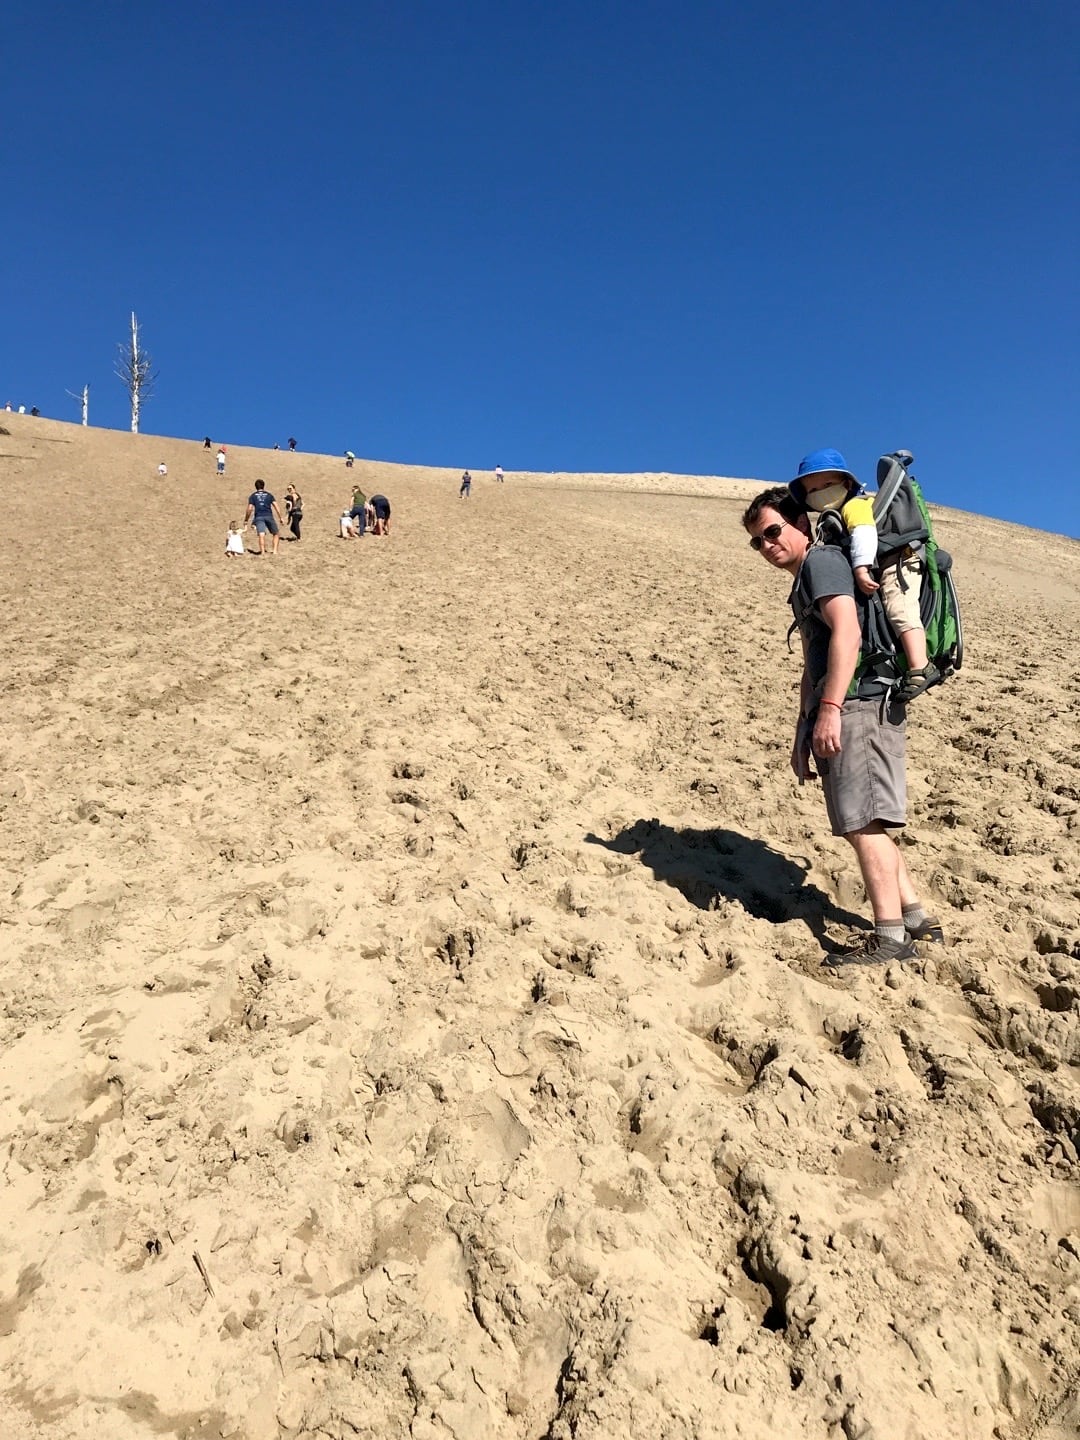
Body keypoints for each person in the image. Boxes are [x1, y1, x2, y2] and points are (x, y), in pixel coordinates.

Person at [742, 483, 942, 966]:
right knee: (867, 821)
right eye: (757, 541)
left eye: (773, 531)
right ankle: (914, 918)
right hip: (851, 703)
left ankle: (892, 938)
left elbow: (848, 633)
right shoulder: (811, 573)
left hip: (859, 704)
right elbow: (814, 662)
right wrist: (801, 731)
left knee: (863, 823)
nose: (768, 546)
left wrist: (830, 709)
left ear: (801, 524)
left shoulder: (821, 563)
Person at [789, 449, 938, 701]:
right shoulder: (833, 517)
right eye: (813, 490)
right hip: (889, 562)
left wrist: (860, 567)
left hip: (898, 563)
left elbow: (864, 533)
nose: (820, 493)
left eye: (827, 485)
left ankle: (920, 665)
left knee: (899, 608)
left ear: (846, 484)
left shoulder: (854, 505)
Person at [244, 479, 284, 555]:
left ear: (255, 487)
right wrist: (280, 517)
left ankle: (262, 552)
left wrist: (246, 519)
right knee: (276, 533)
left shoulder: (253, 496)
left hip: (259, 517)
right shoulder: (269, 495)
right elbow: (276, 506)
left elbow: (250, 508)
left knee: (261, 534)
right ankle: (275, 551)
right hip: (269, 515)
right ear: (263, 486)